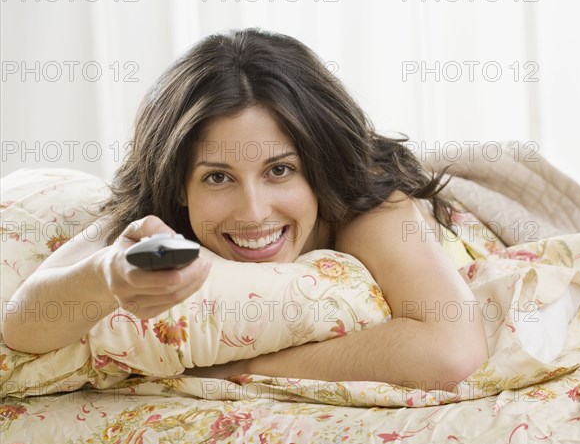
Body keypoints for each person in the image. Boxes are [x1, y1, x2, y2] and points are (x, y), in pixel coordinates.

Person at [2, 28, 488, 390]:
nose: (253, 212)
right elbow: (22, 325)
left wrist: (236, 368)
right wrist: (109, 272)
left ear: (318, 165)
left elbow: (451, 351)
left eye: (280, 170)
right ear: (178, 185)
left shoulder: (369, 206)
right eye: (218, 177)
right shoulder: (158, 214)